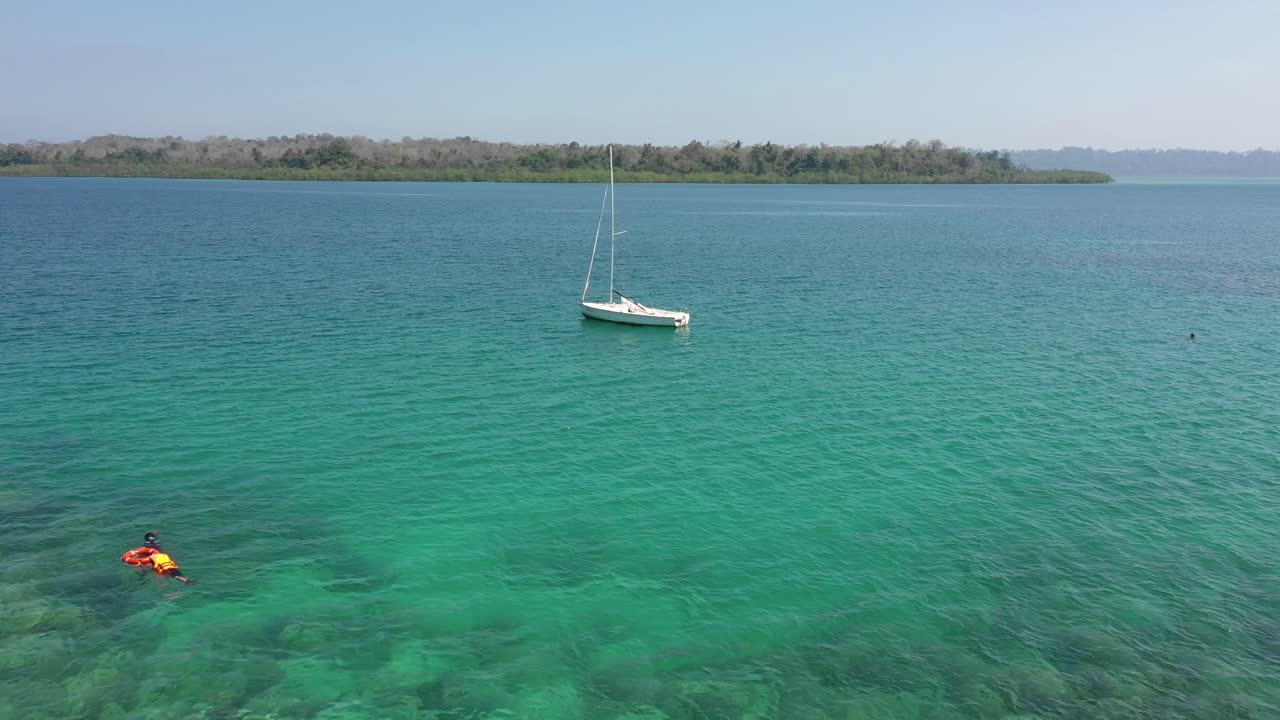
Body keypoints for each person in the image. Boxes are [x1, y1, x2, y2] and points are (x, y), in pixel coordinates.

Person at [121, 531, 194, 584]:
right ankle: (185, 579)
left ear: (146, 540)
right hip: (163, 557)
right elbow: (152, 539)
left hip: (156, 560)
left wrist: (135, 558)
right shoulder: (157, 542)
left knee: (146, 569)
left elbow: (142, 553)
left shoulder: (145, 546)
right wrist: (155, 534)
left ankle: (142, 578)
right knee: (174, 572)